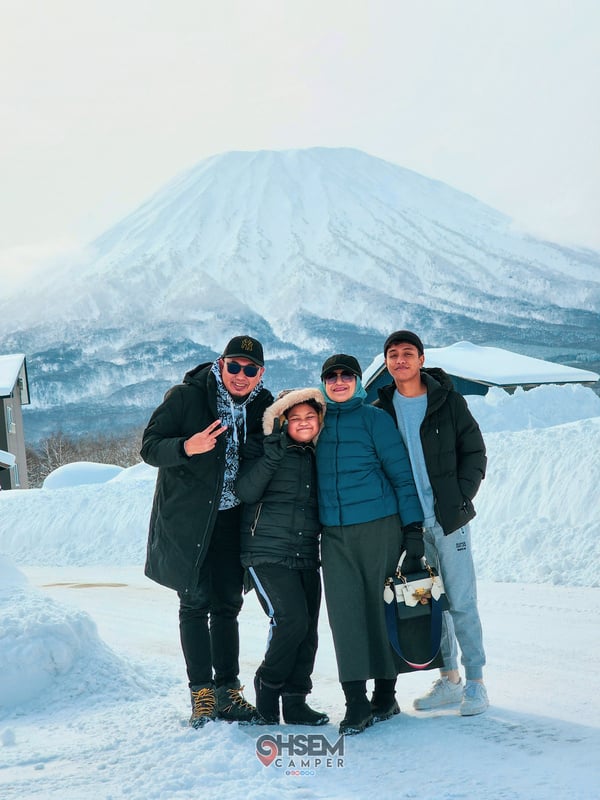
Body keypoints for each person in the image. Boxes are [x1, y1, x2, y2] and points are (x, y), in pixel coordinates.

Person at [140, 335, 273, 728]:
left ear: (260, 374)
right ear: (220, 364)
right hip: (191, 521)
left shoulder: (265, 408)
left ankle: (228, 691)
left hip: (235, 521)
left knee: (228, 605)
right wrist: (187, 446)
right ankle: (201, 693)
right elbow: (149, 447)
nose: (241, 375)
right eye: (234, 366)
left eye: (250, 369)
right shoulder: (187, 397)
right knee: (195, 605)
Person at [376, 330, 489, 716]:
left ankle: (476, 682)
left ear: (421, 359)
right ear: (387, 362)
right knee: (430, 604)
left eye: (408, 353)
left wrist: (459, 498)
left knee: (461, 601)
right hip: (410, 526)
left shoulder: (447, 401)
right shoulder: (382, 409)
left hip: (448, 521)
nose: (400, 360)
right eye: (393, 354)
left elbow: (474, 450)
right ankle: (449, 679)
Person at [315, 354, 424, 735]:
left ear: (358, 381)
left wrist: (413, 529)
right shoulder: (317, 422)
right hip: (334, 534)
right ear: (324, 383)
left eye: (347, 375)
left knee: (382, 610)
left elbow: (401, 474)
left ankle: (385, 694)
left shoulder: (376, 419)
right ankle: (355, 702)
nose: (339, 381)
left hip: (381, 526)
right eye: (332, 376)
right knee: (345, 615)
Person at [235, 388, 329, 726]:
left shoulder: (318, 454)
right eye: (295, 418)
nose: (304, 423)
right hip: (265, 552)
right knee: (290, 620)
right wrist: (272, 453)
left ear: (320, 421)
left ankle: (295, 701)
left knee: (308, 631)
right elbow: (245, 491)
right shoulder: (263, 446)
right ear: (282, 420)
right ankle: (267, 685)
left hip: (305, 552)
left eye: (310, 417)